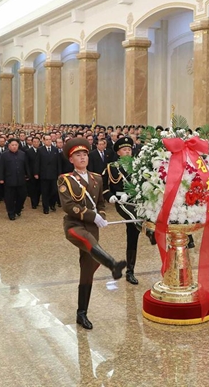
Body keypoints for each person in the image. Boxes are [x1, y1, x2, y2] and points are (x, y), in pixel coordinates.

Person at [58, 138, 126, 330]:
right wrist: (91, 216)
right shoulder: (66, 179)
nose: (82, 157)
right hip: (74, 226)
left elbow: (101, 204)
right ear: (71, 159)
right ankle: (113, 264)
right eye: (78, 155)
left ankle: (82, 314)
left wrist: (101, 216)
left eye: (85, 154)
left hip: (92, 228)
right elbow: (68, 206)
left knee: (87, 271)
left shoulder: (97, 178)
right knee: (87, 241)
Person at [103, 136, 148, 286]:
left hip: (137, 201)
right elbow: (104, 187)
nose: (127, 151)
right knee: (134, 220)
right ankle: (149, 232)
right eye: (124, 149)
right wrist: (110, 196)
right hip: (122, 202)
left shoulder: (138, 166)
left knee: (132, 236)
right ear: (118, 152)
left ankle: (130, 271)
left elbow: (144, 184)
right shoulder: (111, 167)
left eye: (129, 149)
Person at [0, 139, 30, 220]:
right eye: (12, 145)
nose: (14, 146)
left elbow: (26, 165)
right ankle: (11, 213)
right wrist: (1, 178)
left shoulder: (22, 154)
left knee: (22, 196)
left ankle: (18, 209)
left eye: (16, 145)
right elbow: (1, 167)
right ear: (9, 146)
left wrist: (28, 175)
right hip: (9, 180)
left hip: (21, 179)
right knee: (9, 198)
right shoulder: (4, 155)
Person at [39, 135, 61, 214]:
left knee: (54, 190)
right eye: (47, 140)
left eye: (49, 139)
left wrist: (59, 173)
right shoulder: (40, 150)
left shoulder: (55, 150)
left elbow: (58, 163)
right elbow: (37, 162)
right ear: (44, 141)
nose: (48, 141)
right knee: (45, 192)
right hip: (44, 174)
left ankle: (52, 204)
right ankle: (46, 207)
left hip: (53, 174)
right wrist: (36, 173)